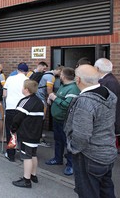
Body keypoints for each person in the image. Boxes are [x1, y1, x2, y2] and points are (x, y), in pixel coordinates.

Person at [64, 64, 117, 198]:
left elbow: (81, 136)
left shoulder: (85, 102)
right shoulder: (108, 93)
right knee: (106, 191)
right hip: (107, 153)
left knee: (88, 193)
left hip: (89, 157)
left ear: (78, 80)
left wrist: (72, 147)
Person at [45, 67, 80, 176]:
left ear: (64, 76)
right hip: (57, 119)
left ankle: (71, 165)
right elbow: (60, 97)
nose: (59, 76)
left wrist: (54, 98)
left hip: (66, 121)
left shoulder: (73, 89)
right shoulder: (63, 86)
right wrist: (51, 98)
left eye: (61, 75)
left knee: (67, 143)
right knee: (58, 140)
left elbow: (67, 105)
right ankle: (58, 158)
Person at [10, 80, 45, 188]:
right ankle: (33, 175)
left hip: (26, 133)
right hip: (36, 133)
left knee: (26, 156)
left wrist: (13, 129)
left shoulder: (25, 101)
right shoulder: (39, 101)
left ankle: (26, 180)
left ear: (26, 89)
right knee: (33, 154)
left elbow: (17, 118)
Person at [3, 62, 29, 161]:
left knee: (11, 132)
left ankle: (11, 154)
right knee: (23, 132)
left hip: (10, 108)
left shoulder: (10, 78)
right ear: (26, 72)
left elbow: (4, 94)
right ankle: (23, 154)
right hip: (23, 109)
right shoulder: (27, 80)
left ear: (17, 70)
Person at [94, 58, 120, 153]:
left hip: (108, 122)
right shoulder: (108, 80)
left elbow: (109, 104)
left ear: (97, 68)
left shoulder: (109, 82)